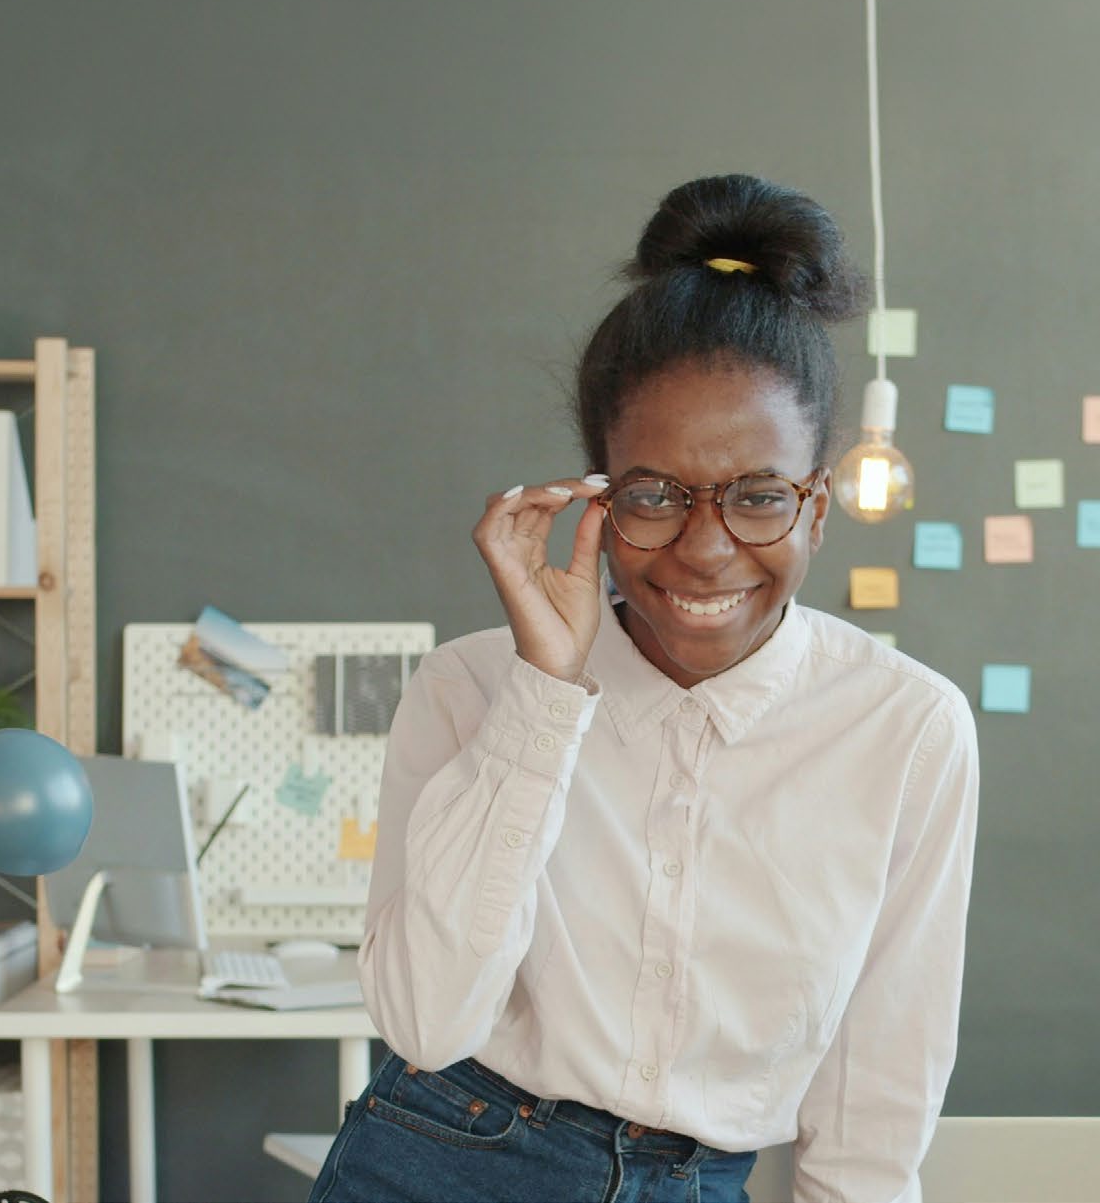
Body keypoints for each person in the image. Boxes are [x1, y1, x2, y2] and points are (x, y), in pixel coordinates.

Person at [312, 174, 980, 1203]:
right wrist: (544, 695)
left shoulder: (906, 728)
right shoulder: (471, 687)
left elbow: (878, 1081)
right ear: (594, 495)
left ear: (817, 506)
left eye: (759, 495)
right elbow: (424, 1021)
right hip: (444, 1158)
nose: (705, 550)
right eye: (653, 494)